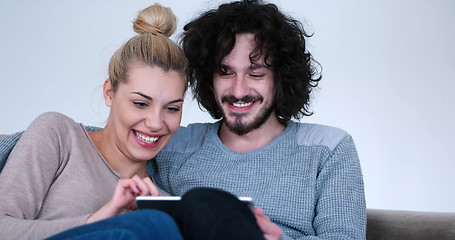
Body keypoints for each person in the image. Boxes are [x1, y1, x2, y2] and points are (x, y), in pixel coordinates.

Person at [149, 0, 366, 239]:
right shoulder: (172, 144)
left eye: (256, 73)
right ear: (208, 78)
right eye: (225, 72)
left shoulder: (328, 149)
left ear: (280, 78)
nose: (239, 90)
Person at [0, 3, 188, 239]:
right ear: (109, 93)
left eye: (171, 108)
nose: (155, 123)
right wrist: (97, 220)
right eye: (140, 104)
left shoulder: (161, 202)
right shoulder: (60, 136)